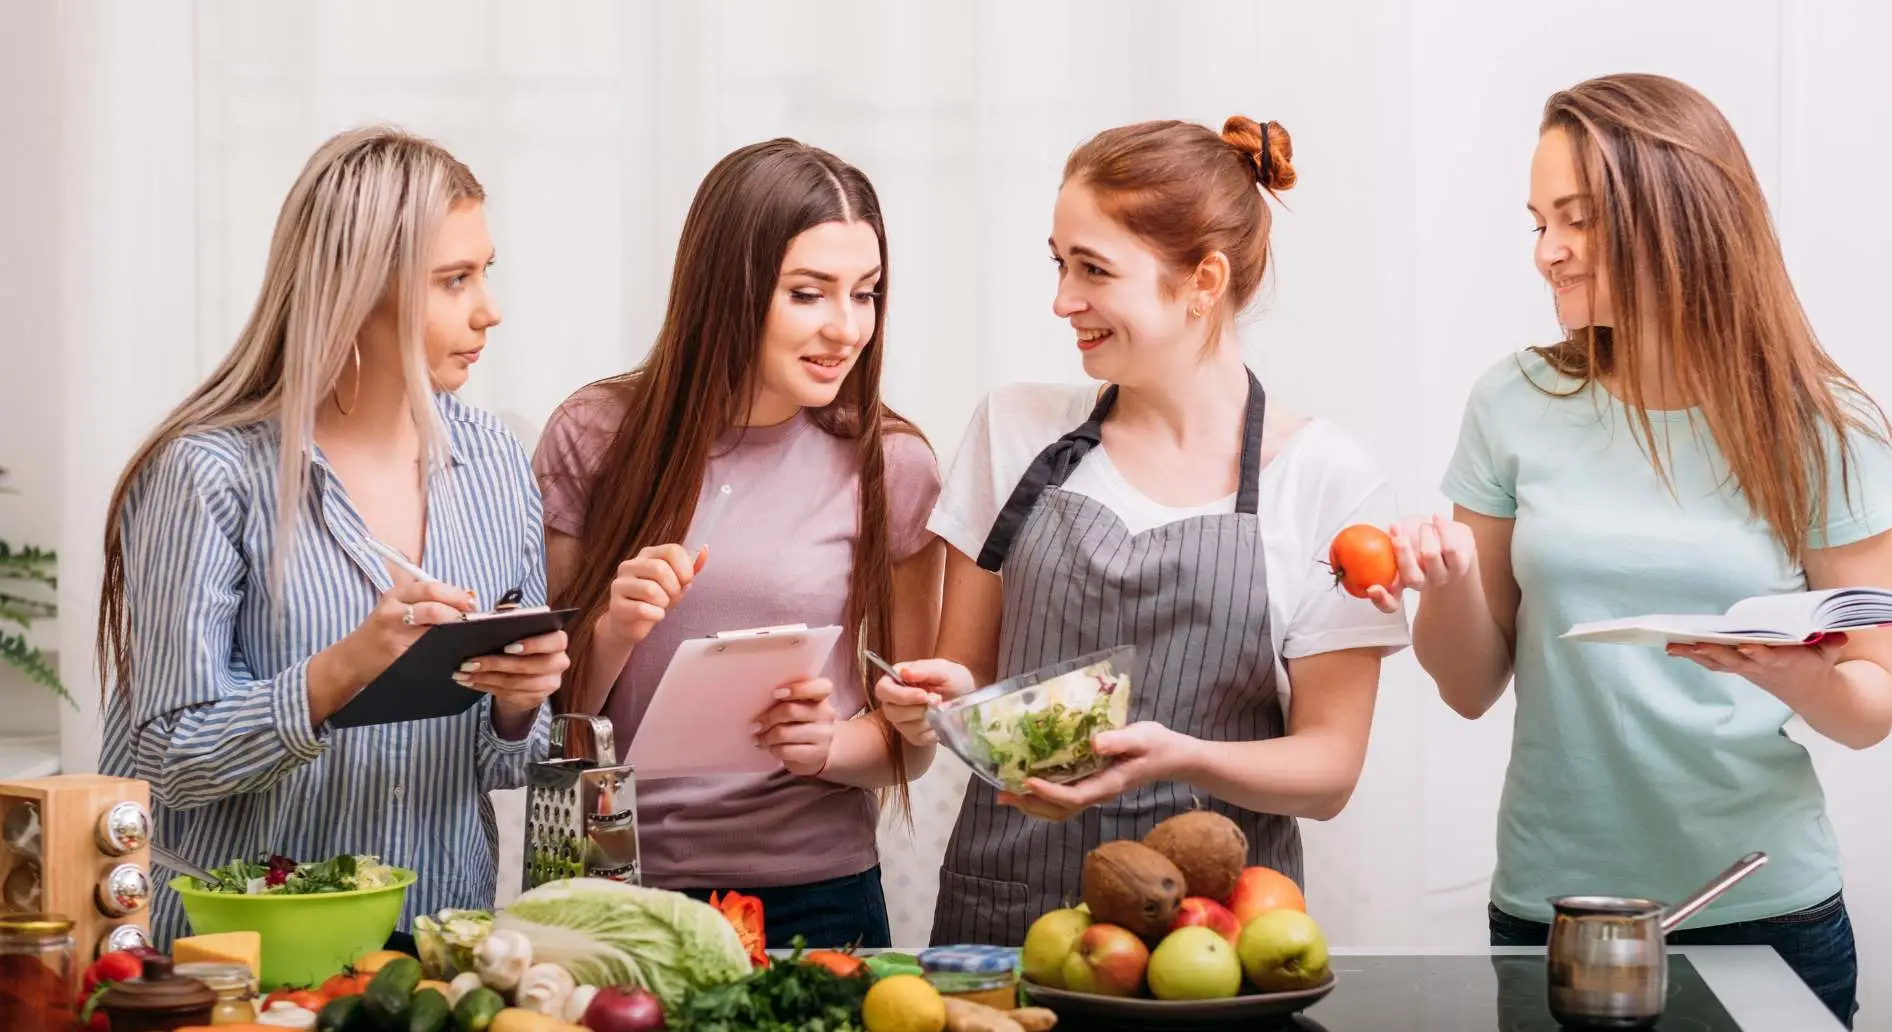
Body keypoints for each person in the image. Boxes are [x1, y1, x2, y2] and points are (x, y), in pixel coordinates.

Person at [1373, 73, 1892, 1028]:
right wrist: (1448, 586)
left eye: (1574, 219)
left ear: (1679, 217)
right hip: (1558, 915)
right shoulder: (1514, 402)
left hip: (1763, 908)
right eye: (1537, 220)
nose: (1546, 252)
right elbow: (1466, 685)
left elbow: (1870, 707)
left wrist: (1782, 667)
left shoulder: (1827, 428)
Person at [877, 117, 1410, 947]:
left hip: (1213, 937)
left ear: (1203, 280)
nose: (1063, 300)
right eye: (1059, 263)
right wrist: (930, 703)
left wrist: (1178, 756)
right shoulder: (1015, 430)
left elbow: (1328, 770)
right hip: (1008, 914)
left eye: (1093, 269)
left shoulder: (1327, 479)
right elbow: (970, 675)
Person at [97, 126, 565, 945]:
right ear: (358, 290)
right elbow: (164, 756)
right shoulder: (209, 474)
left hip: (431, 956)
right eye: (454, 281)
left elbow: (509, 771)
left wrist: (522, 709)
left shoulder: (495, 462)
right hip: (241, 963)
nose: (489, 310)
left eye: (485, 273)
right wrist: (339, 673)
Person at [533, 138, 943, 949]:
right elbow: (546, 716)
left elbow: (909, 737)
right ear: (731, 288)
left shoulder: (891, 464)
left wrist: (829, 747)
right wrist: (614, 628)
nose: (846, 327)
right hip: (616, 888)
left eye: (865, 294)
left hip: (817, 898)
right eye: (808, 294)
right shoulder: (595, 435)